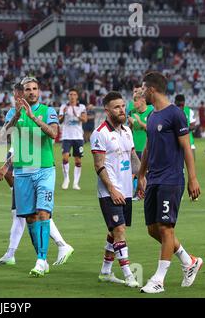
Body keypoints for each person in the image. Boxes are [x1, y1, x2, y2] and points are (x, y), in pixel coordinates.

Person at [137, 72, 202, 294]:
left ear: (152, 90)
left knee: (166, 228)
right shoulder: (152, 116)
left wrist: (192, 178)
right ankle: (189, 260)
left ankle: (159, 280)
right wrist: (141, 174)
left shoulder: (175, 114)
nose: (141, 92)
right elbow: (147, 147)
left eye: (143, 89)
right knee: (153, 229)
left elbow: (186, 148)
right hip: (154, 178)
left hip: (171, 179)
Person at [4, 76, 60, 277]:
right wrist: (17, 115)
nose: (32, 92)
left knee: (44, 212)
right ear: (23, 92)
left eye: (35, 88)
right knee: (30, 217)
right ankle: (41, 258)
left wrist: (34, 117)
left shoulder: (48, 111)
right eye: (28, 89)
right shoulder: (13, 112)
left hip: (45, 169)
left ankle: (41, 259)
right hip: (21, 171)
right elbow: (4, 134)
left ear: (39, 91)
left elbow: (53, 134)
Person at [90, 91, 141, 288]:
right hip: (109, 192)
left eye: (123, 106)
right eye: (117, 107)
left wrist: (142, 177)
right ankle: (129, 275)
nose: (122, 110)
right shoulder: (100, 133)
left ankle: (105, 271)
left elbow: (132, 156)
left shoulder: (127, 131)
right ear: (107, 110)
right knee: (119, 230)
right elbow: (98, 165)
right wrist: (112, 189)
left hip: (127, 190)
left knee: (114, 231)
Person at [0, 146, 74, 266]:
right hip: (25, 171)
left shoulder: (25, 133)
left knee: (36, 214)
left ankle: (61, 245)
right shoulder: (20, 135)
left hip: (28, 173)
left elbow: (13, 166)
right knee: (20, 215)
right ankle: (11, 254)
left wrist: (14, 186)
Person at [127, 87, 153, 199]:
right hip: (135, 146)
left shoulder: (151, 110)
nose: (134, 103)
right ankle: (138, 193)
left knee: (147, 172)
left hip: (147, 146)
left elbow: (150, 128)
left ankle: (147, 193)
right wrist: (132, 124)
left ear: (143, 100)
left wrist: (139, 122)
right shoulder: (132, 112)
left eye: (135, 100)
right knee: (135, 172)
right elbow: (132, 127)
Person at [59, 88, 87, 190]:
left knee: (78, 161)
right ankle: (66, 179)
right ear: (68, 96)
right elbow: (59, 120)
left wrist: (76, 115)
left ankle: (76, 183)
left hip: (78, 137)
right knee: (65, 157)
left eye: (74, 94)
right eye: (70, 94)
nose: (72, 96)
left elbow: (84, 119)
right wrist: (64, 114)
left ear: (77, 96)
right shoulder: (63, 106)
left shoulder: (81, 107)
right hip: (66, 136)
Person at [174, 94, 196, 160]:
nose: (180, 107)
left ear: (184, 103)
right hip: (175, 143)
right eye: (178, 105)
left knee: (191, 165)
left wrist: (184, 129)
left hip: (189, 142)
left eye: (182, 105)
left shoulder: (189, 111)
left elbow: (193, 126)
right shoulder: (171, 112)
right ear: (175, 103)